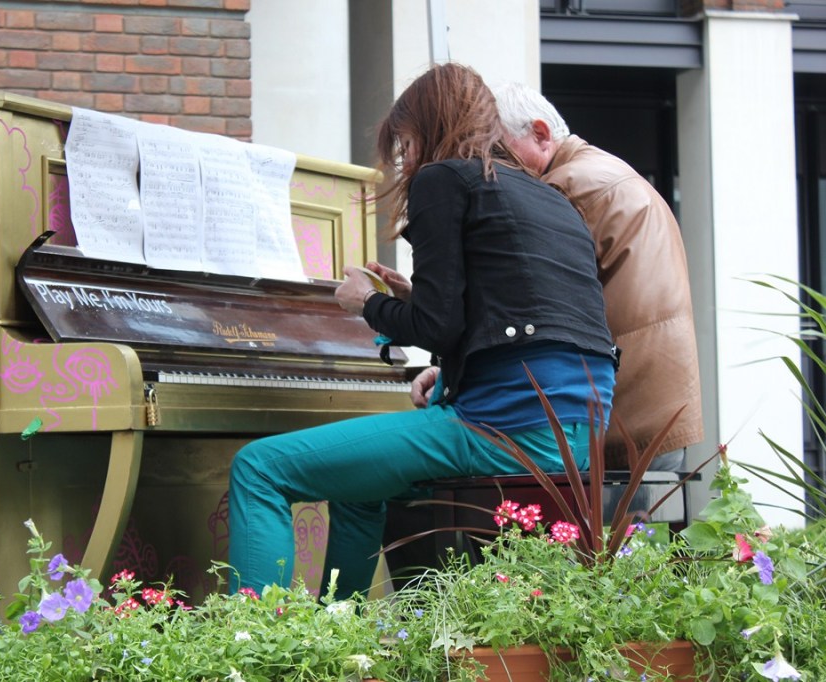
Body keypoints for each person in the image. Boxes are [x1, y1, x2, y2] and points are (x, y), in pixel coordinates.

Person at [227, 63, 617, 599]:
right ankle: (339, 628)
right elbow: (513, 312)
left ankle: (253, 641)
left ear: (431, 129)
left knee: (259, 468)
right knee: (360, 489)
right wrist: (413, 299)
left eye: (406, 145)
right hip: (581, 434)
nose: (406, 161)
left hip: (508, 427)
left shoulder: (443, 178)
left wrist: (366, 304)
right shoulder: (549, 197)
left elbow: (437, 327)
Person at [405, 83, 703, 470]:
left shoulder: (563, 189)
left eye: (499, 150)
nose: (490, 165)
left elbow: (526, 307)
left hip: (614, 416)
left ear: (541, 134)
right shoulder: (609, 171)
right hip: (657, 407)